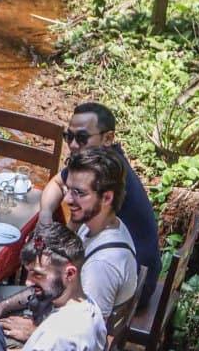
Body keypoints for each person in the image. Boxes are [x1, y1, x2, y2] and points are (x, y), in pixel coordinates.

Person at [38, 102, 160, 306]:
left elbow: (69, 238)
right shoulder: (98, 162)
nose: (74, 145)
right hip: (126, 268)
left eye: (82, 138)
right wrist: (45, 214)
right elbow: (57, 182)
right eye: (69, 137)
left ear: (108, 138)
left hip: (125, 283)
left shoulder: (103, 175)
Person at [65, 144, 139, 321]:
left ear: (107, 198)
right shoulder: (99, 222)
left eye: (79, 193)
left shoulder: (102, 266)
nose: (67, 199)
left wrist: (34, 331)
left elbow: (84, 331)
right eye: (68, 189)